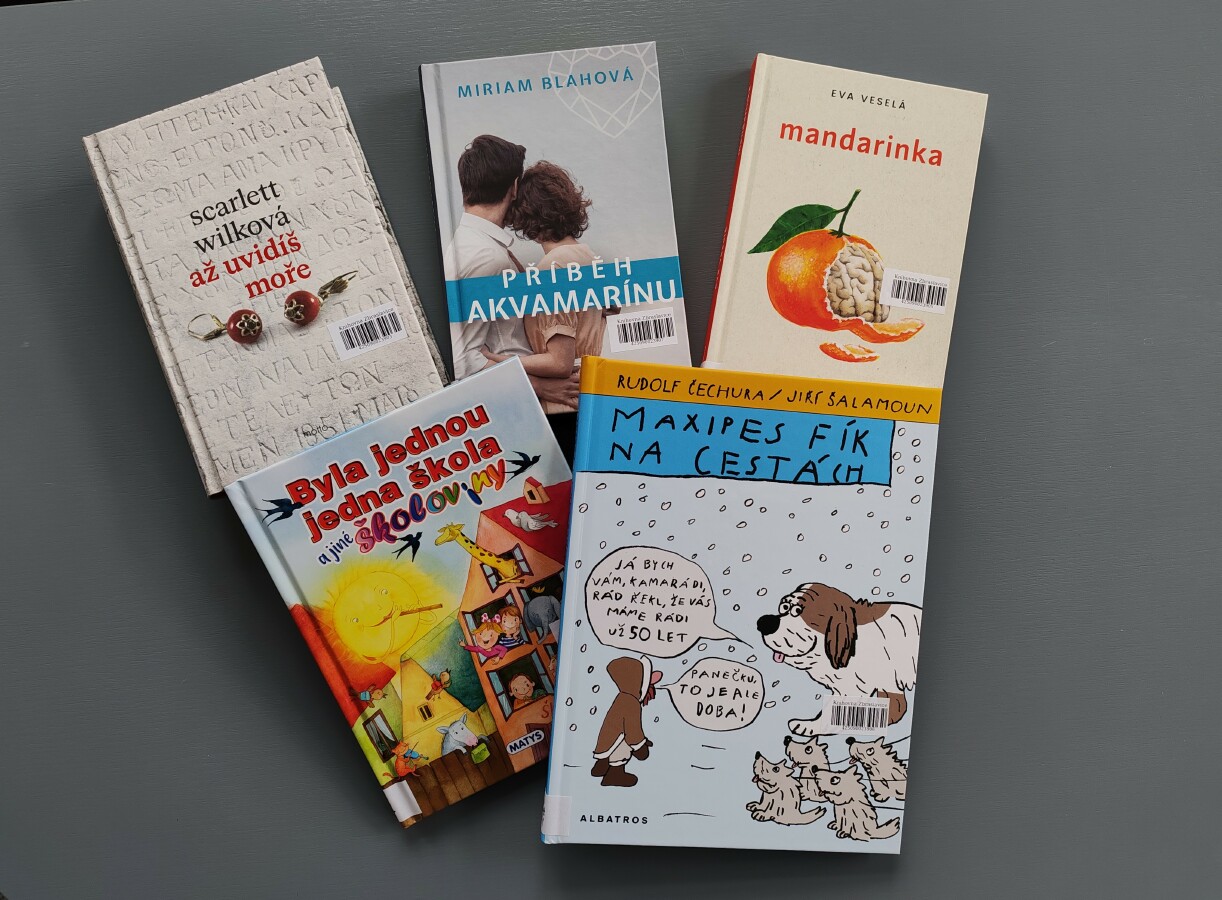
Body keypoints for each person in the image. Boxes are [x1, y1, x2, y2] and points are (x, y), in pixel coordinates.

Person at [444, 136, 578, 410]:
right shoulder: (484, 256)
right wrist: (538, 386)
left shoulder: (478, 246)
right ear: (514, 187)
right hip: (516, 402)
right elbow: (463, 361)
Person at [483, 161, 616, 413]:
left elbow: (559, 363)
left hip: (563, 401)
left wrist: (498, 361)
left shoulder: (553, 267)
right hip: (590, 393)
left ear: (526, 214)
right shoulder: (588, 257)